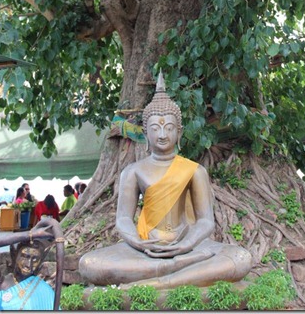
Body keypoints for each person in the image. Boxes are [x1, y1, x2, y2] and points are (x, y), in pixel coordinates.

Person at [79, 72, 252, 289]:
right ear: (145, 132)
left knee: (240, 257)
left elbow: (205, 221)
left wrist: (186, 245)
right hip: (146, 247)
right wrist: (138, 242)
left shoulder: (194, 170)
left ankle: (160, 280)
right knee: (89, 264)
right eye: (155, 128)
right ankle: (181, 272)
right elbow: (123, 218)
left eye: (169, 128)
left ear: (178, 132)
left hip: (188, 246)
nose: (162, 134)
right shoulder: (132, 171)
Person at [0, 219, 65, 310]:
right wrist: (30, 235)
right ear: (14, 255)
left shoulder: (43, 290)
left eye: (35, 259)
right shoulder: (1, 284)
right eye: (25, 256)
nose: (29, 265)